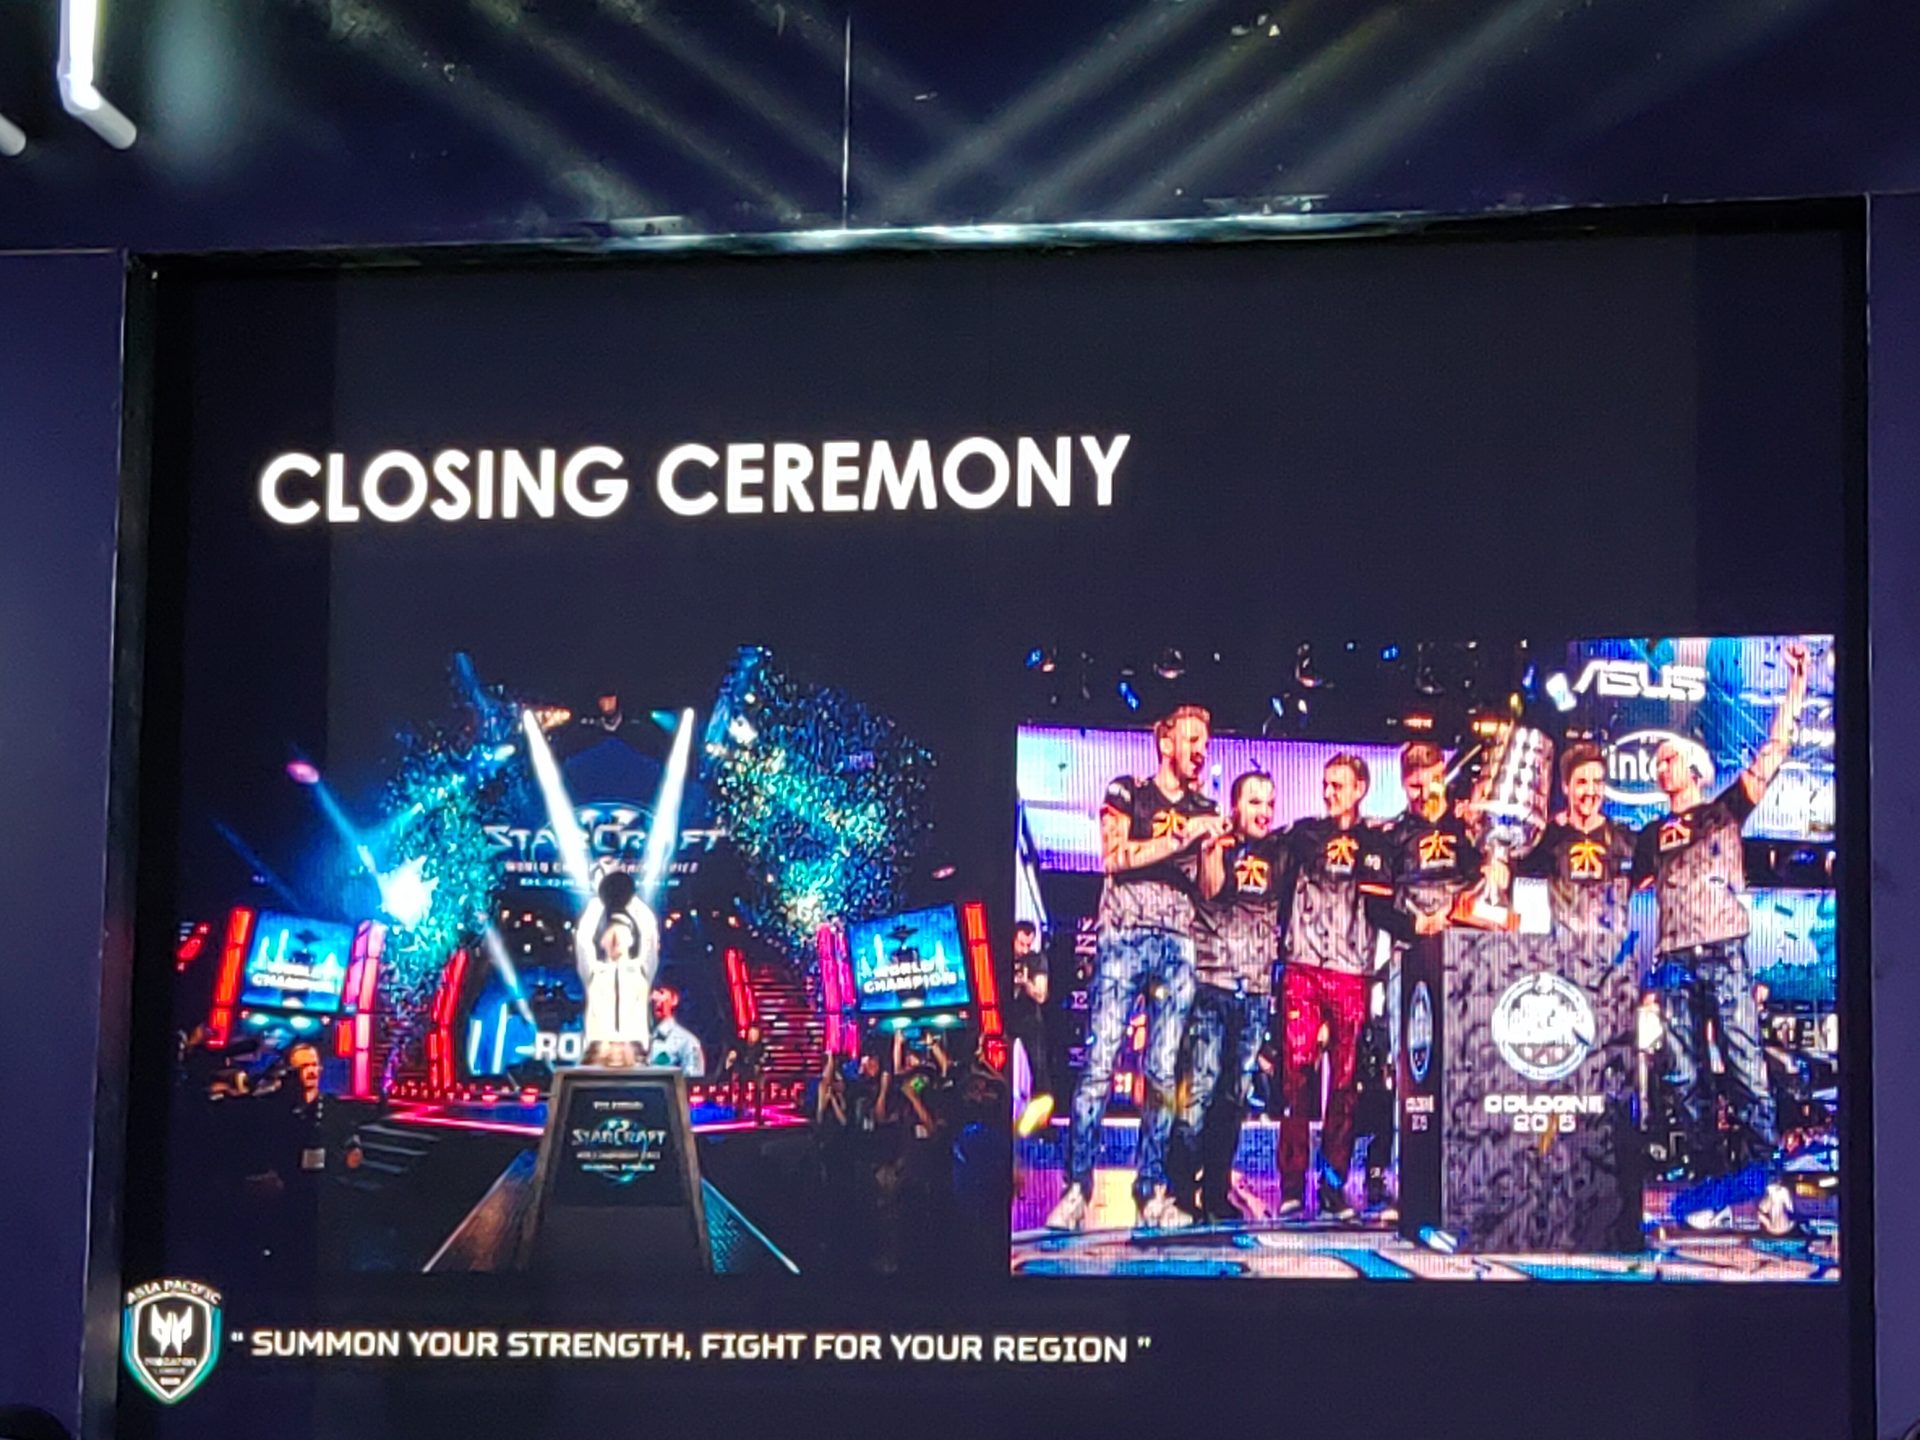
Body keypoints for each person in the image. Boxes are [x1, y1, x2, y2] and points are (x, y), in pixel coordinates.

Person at [1635, 640, 1812, 1236]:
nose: (1660, 766)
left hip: (1725, 952)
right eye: (1656, 761)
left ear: (1695, 768)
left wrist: (1795, 685)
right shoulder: (1650, 834)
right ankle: (1712, 1187)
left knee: (1746, 1070)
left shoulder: (1724, 810)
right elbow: (1616, 885)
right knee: (1685, 1079)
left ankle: (1770, 1188)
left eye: (1669, 758)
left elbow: (1774, 752)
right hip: (1673, 960)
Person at [1046, 704, 1227, 1234]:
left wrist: (1212, 849)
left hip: (1177, 945)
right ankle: (1076, 1188)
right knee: (1100, 1063)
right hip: (1124, 938)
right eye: (1191, 740)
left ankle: (1151, 1189)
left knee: (1163, 1072)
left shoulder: (1205, 806)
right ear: (1166, 743)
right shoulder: (1128, 790)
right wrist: (1184, 835)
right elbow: (1113, 856)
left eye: (1205, 743)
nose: (1200, 751)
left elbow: (1210, 889)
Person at [1275, 753, 1415, 1221]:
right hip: (1302, 969)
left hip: (1352, 973)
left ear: (1360, 789)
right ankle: (1291, 1188)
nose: (1330, 792)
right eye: (1326, 783)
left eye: (1339, 784)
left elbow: (1384, 906)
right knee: (1296, 1079)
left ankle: (1333, 1186)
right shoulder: (1303, 835)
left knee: (1345, 1084)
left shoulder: (1377, 842)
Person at [1360, 742, 1482, 1219]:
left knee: (1467, 1066)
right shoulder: (1391, 836)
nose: (1420, 787)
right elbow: (1375, 908)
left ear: (1441, 774)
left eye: (1427, 776)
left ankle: (1468, 1178)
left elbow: (1495, 887)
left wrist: (1483, 845)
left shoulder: (1469, 829)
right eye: (1411, 779)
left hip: (1467, 964)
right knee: (1409, 1071)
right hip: (1410, 967)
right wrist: (1418, 925)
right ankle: (1399, 1178)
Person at [1172, 770, 1283, 1223]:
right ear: (1235, 806)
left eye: (1269, 803)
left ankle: (1216, 1193)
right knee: (1197, 1094)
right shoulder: (1211, 844)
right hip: (1211, 987)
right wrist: (1212, 846)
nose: (1264, 811)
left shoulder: (1281, 853)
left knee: (1233, 1099)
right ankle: (1180, 1193)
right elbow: (1209, 890)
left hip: (1255, 993)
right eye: (1254, 802)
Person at [1516, 740, 1636, 938]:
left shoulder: (1624, 839)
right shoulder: (1549, 837)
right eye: (1582, 782)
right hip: (1563, 950)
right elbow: (1519, 874)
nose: (1590, 791)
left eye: (1597, 782)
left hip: (1613, 951)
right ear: (1565, 787)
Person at [574, 864, 659, 1066]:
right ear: (602, 941)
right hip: (598, 1050)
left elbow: (649, 934)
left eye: (621, 933)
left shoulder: (641, 970)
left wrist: (629, 899)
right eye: (610, 933)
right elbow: (582, 940)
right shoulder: (594, 972)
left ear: (631, 939)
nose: (615, 938)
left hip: (634, 1050)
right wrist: (601, 900)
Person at [1006, 920, 1054, 1136]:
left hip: (1029, 1021)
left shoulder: (1036, 959)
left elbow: (1041, 996)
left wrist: (1026, 983)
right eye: (1021, 944)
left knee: (1040, 1071)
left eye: (1028, 944)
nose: (1024, 949)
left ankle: (1042, 1124)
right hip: (1006, 1019)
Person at [647, 983, 706, 1076]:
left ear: (674, 999)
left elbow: (693, 1079)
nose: (654, 997)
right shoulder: (638, 1039)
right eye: (651, 993)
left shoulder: (687, 1042)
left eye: (661, 992)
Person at [721, 1024, 768, 1120]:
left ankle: (758, 1113)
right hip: (743, 1071)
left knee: (759, 1083)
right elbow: (736, 1055)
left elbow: (764, 1058)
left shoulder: (761, 1047)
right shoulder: (741, 1045)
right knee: (740, 1083)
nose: (752, 1036)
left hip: (755, 1071)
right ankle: (739, 1110)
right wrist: (732, 1057)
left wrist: (759, 1064)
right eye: (751, 1034)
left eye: (755, 1034)